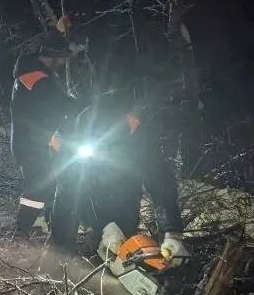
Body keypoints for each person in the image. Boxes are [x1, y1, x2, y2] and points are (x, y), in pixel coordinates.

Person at [52, 89, 190, 264]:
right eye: (131, 123)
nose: (134, 126)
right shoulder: (81, 135)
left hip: (123, 197)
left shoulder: (140, 137)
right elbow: (72, 186)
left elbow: (160, 181)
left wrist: (172, 231)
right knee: (63, 244)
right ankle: (59, 258)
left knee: (123, 251)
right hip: (81, 196)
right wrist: (102, 225)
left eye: (136, 123)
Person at [9, 33, 77, 237]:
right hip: (31, 144)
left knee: (49, 184)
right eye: (62, 59)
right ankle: (20, 233)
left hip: (38, 141)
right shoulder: (35, 78)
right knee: (37, 190)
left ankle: (49, 226)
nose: (63, 64)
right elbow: (58, 103)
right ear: (54, 57)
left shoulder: (36, 73)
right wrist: (90, 104)